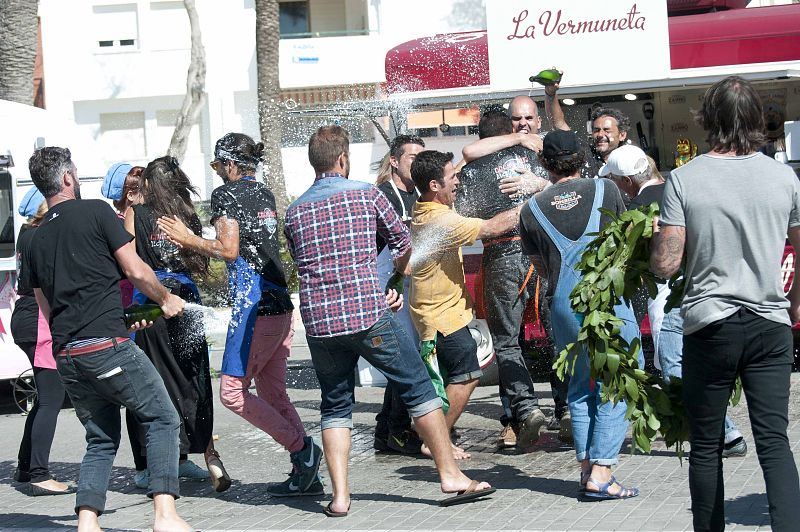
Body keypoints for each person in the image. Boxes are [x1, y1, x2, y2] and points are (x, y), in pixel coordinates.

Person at [284, 125, 494, 517]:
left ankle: (340, 497)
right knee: (417, 387)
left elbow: (301, 261)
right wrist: (396, 279)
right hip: (367, 314)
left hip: (320, 324)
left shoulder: (295, 210)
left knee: (335, 406)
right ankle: (450, 475)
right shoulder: (366, 195)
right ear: (343, 159)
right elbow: (403, 244)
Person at [651, 75, 800, 531]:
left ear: (707, 119)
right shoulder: (785, 176)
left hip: (710, 325)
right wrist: (794, 307)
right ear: (757, 119)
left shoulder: (684, 178)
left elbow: (665, 266)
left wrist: (657, 237)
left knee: (708, 443)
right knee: (775, 442)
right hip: (770, 322)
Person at [25, 146, 190, 531]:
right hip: (105, 346)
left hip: (68, 354)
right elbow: (134, 270)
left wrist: (113, 322)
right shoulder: (97, 211)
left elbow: (46, 307)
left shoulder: (32, 239)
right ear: (67, 178)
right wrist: (165, 299)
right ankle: (165, 516)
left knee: (100, 438)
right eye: (76, 172)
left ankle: (87, 522)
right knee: (163, 417)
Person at [158, 133, 321, 498]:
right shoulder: (263, 192)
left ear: (231, 164)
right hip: (280, 307)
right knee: (274, 393)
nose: (217, 173)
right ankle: (306, 472)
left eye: (218, 166)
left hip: (253, 310)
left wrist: (187, 238)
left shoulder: (226, 194)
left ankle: (303, 450)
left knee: (232, 392)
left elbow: (229, 249)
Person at [602, 145, 749, 459]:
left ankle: (724, 434)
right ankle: (718, 432)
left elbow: (645, 265)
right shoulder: (680, 189)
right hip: (707, 288)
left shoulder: (635, 211)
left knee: (675, 367)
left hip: (669, 297)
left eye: (614, 180)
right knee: (696, 365)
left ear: (625, 180)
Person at [520, 130, 641, 499]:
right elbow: (625, 241)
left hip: (563, 305)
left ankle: (587, 469)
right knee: (615, 382)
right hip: (605, 301)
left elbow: (541, 269)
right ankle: (603, 471)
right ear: (582, 158)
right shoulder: (606, 190)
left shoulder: (531, 210)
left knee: (580, 386)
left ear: (543, 163)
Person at [457, 109, 564, 448]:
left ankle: (525, 408)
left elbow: (462, 217)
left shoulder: (473, 170)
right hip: (542, 255)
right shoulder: (534, 158)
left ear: (481, 136)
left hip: (502, 255)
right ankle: (566, 410)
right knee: (556, 334)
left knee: (506, 342)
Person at [125, 156, 230, 492]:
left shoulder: (136, 214)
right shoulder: (186, 216)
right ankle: (181, 456)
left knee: (153, 382)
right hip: (185, 301)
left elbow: (128, 261)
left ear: (150, 185)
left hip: (152, 306)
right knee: (190, 379)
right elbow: (198, 262)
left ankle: (154, 464)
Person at [409, 149, 522, 447]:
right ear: (435, 185)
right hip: (441, 317)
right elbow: (493, 227)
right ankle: (436, 441)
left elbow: (457, 166)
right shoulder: (442, 222)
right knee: (467, 376)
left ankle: (427, 432)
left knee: (440, 384)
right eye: (453, 177)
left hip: (435, 312)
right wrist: (533, 200)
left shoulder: (424, 206)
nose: (458, 180)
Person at [10, 187, 70, 496]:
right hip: (38, 319)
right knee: (51, 398)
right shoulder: (41, 235)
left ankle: (25, 466)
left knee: (43, 397)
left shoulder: (26, 233)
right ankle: (39, 473)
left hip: (25, 314)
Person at [373, 134, 425, 455]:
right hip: (389, 285)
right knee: (404, 358)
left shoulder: (420, 193)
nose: (417, 164)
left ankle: (385, 430)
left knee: (410, 356)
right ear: (394, 161)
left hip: (415, 285)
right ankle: (397, 429)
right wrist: (385, 289)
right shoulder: (381, 196)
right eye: (411, 158)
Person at [543, 72, 631, 178]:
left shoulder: (630, 160)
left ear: (622, 135)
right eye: (596, 130)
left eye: (607, 130)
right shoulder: (586, 155)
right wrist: (550, 94)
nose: (600, 134)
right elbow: (558, 124)